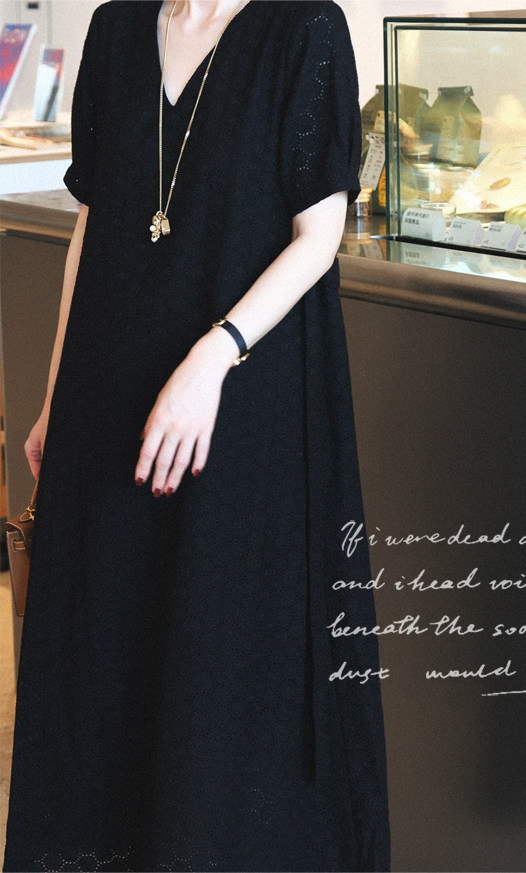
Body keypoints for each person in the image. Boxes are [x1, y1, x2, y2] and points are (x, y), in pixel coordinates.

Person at [2, 1, 390, 870]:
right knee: (107, 661)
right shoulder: (115, 30)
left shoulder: (303, 29)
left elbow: (319, 234)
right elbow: (94, 223)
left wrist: (214, 357)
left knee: (220, 666)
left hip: (240, 403)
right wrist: (57, 396)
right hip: (110, 404)